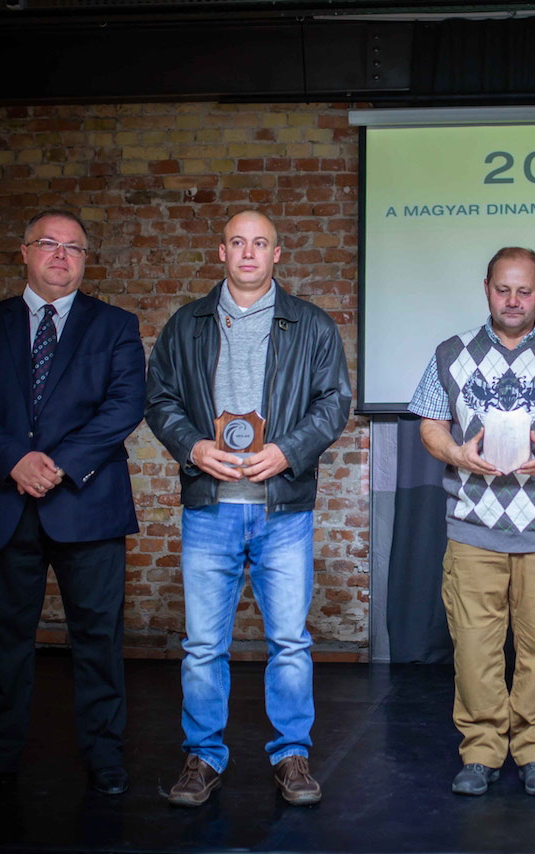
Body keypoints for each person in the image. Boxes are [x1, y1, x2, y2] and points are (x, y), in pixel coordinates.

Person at [144, 210, 351, 807]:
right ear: (222, 252)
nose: (249, 252)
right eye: (238, 242)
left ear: (277, 254)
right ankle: (203, 756)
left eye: (261, 243)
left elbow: (334, 402)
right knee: (203, 646)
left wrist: (288, 451)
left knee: (289, 641)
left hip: (282, 509)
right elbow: (158, 399)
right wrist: (192, 446)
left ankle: (291, 755)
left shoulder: (311, 325)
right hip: (209, 507)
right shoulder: (186, 325)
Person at [0, 209, 145, 799]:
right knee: (4, 643)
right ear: (25, 252)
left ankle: (105, 761)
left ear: (85, 260)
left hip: (86, 501)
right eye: (49, 243)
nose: (61, 255)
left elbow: (125, 404)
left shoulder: (115, 325)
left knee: (99, 640)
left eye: (73, 247)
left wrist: (56, 465)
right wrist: (14, 461)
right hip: (3, 502)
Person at [408, 247, 535, 797]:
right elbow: (429, 425)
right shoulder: (451, 353)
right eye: (503, 290)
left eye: (525, 291)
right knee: (474, 649)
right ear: (487, 288)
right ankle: (480, 751)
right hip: (472, 528)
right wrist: (456, 453)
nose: (513, 301)